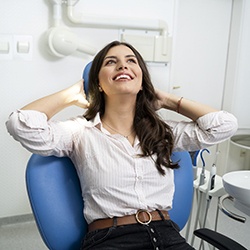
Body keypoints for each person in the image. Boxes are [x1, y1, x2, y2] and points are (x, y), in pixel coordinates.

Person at [6, 40, 238, 250]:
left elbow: (224, 125)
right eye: (111, 62)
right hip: (111, 240)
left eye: (131, 61)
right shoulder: (79, 131)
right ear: (98, 83)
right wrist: (70, 95)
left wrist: (168, 100)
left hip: (169, 237)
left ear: (141, 81)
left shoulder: (164, 132)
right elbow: (21, 125)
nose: (122, 66)